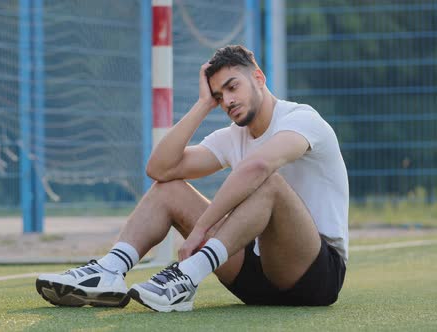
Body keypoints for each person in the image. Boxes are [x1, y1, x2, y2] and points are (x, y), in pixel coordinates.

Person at [36, 44, 348, 312]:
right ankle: (109, 270)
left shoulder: (302, 120)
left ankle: (187, 274)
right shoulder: (232, 136)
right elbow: (160, 169)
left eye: (232, 87)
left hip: (314, 274)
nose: (227, 101)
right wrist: (202, 105)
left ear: (258, 78)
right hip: (255, 276)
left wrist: (200, 231)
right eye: (218, 95)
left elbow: (257, 168)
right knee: (169, 189)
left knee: (268, 181)